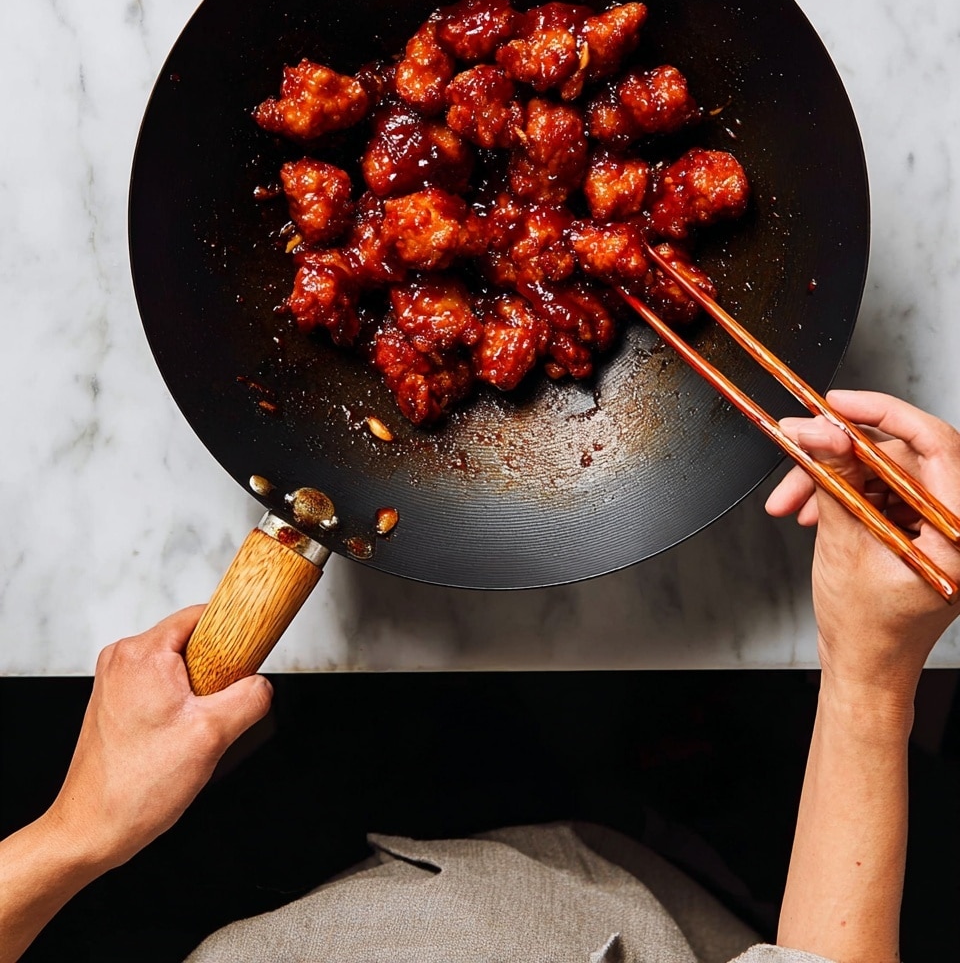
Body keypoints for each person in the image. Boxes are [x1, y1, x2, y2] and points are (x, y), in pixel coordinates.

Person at [2, 389, 959, 963]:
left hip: (334, 885)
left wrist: (75, 833)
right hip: (654, 913)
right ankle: (687, 789)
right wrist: (872, 683)